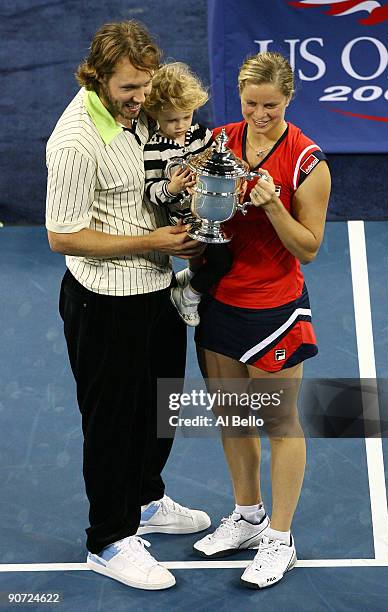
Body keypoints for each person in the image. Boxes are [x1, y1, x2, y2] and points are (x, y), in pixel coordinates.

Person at [45, 21, 210, 591]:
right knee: (112, 422)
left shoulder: (138, 114)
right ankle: (109, 539)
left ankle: (144, 499)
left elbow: (151, 181)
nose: (142, 100)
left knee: (160, 409)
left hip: (156, 290)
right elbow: (63, 236)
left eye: (145, 86)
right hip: (104, 302)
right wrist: (154, 240)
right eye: (129, 90)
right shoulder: (74, 142)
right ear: (98, 78)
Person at [193, 51, 331, 589]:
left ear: (288, 100)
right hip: (221, 301)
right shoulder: (220, 143)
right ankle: (248, 516)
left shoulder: (306, 163)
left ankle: (280, 538)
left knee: (278, 424)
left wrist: (274, 207)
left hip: (274, 308)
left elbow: (311, 247)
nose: (259, 114)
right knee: (232, 416)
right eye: (251, 104)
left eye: (270, 105)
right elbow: (203, 213)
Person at [143, 62, 233, 326]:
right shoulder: (153, 149)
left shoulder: (201, 134)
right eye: (171, 120)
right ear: (155, 113)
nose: (181, 125)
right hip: (182, 220)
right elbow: (151, 191)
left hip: (208, 211)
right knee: (222, 261)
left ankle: (190, 278)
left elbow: (215, 163)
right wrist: (172, 188)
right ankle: (190, 296)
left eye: (186, 116)